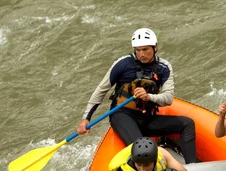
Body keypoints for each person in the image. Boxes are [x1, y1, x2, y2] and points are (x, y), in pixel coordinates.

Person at [76, 28, 197, 163]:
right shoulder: (123, 64)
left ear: (155, 48)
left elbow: (168, 98)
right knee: (143, 147)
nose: (141, 54)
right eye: (138, 50)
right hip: (123, 115)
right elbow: (101, 91)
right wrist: (86, 118)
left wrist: (149, 97)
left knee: (187, 124)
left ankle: (192, 168)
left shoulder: (164, 67)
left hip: (148, 118)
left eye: (145, 49)